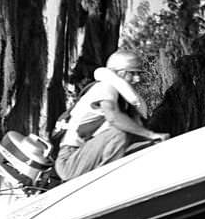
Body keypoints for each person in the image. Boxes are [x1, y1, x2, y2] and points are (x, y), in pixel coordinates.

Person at [53, 49, 168, 182]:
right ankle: (104, 181)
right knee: (120, 132)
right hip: (70, 161)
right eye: (133, 73)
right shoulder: (105, 87)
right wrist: (151, 134)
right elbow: (113, 117)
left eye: (138, 73)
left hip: (87, 154)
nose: (138, 79)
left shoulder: (122, 101)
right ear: (120, 72)